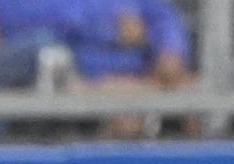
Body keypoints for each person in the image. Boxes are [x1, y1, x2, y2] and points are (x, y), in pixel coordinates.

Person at [63, 0, 196, 138]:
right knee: (125, 119)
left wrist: (165, 52)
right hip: (84, 87)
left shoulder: (152, 5)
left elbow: (172, 60)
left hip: (146, 86)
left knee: (190, 93)